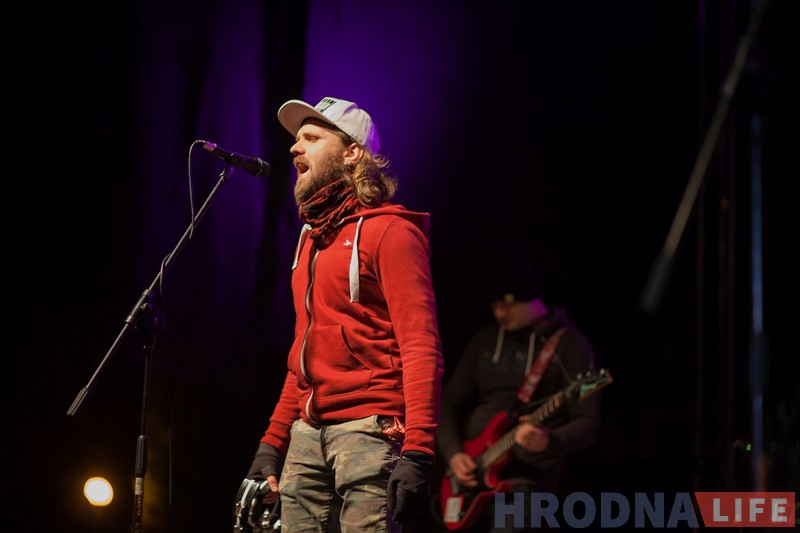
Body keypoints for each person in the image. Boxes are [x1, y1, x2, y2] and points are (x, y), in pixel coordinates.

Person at [244, 96, 444, 532]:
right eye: (297, 140)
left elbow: (420, 346)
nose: (295, 148)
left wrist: (419, 450)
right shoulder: (310, 240)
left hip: (370, 430)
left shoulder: (392, 232)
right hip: (306, 432)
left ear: (352, 152)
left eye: (312, 138)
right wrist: (272, 443)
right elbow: (304, 354)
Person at [435, 249, 602, 532]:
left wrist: (549, 440)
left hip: (526, 483)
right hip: (470, 477)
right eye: (494, 305)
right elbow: (448, 401)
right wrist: (453, 453)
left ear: (531, 297)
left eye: (508, 304)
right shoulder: (486, 339)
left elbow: (588, 421)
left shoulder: (570, 345)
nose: (500, 313)